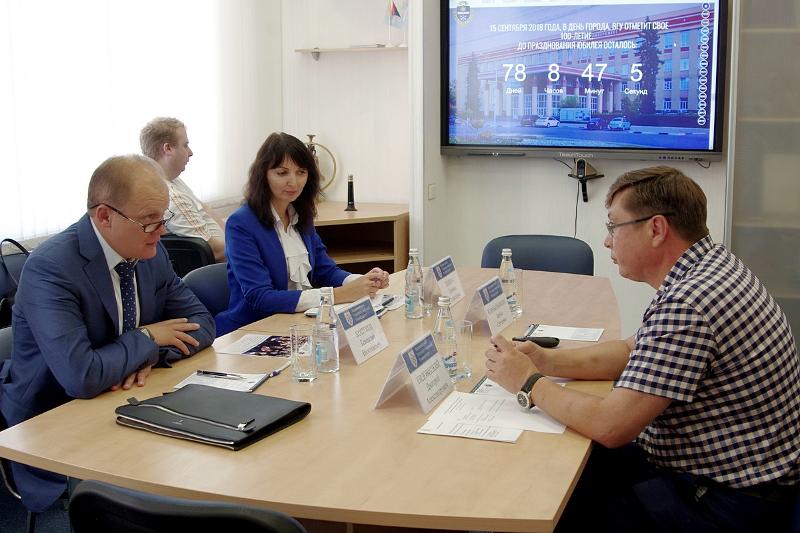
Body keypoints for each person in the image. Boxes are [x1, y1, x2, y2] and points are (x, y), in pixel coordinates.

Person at [484, 166, 799, 532]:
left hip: (722, 503)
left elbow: (611, 426)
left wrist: (528, 383)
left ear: (656, 229)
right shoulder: (708, 268)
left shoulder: (689, 303)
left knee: (546, 501)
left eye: (613, 227)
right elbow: (630, 350)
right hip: (724, 477)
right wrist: (545, 360)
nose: (607, 242)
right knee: (556, 466)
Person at [0, 155, 215, 513]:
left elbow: (202, 323)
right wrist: (147, 339)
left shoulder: (151, 250)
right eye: (149, 220)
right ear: (104, 216)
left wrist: (147, 354)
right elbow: (81, 376)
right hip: (53, 417)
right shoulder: (51, 268)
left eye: (163, 218)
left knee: (207, 456)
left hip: (127, 399)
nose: (161, 231)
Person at [216, 132, 390, 336]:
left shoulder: (300, 215)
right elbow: (260, 297)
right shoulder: (241, 224)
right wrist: (338, 295)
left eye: (301, 172)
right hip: (254, 329)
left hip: (299, 322)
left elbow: (325, 271)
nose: (294, 182)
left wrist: (362, 282)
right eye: (282, 173)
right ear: (263, 174)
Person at [140, 117, 226, 261]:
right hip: (222, 264)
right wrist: (249, 246)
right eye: (185, 145)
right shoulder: (170, 196)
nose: (190, 152)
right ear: (168, 148)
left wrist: (234, 235)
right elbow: (215, 251)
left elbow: (205, 209)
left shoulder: (174, 180)